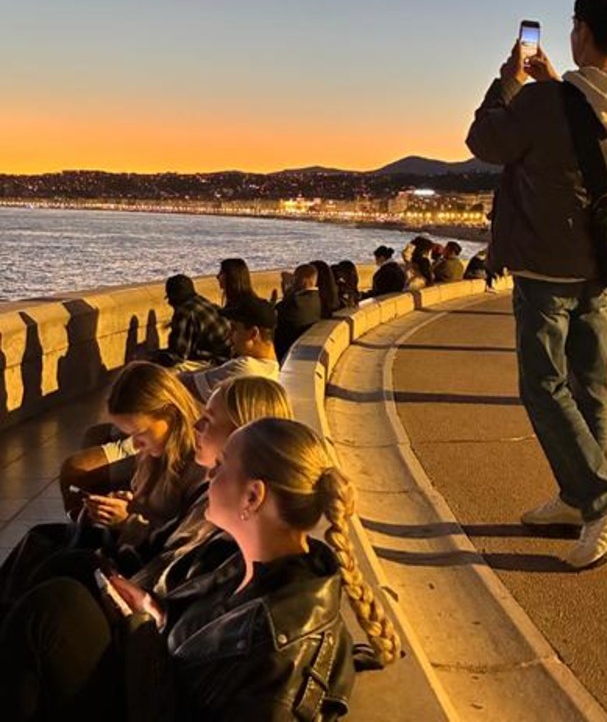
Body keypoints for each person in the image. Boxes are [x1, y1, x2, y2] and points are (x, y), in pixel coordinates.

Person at [0, 418, 401, 721]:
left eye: (223, 465)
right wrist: (153, 611)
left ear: (253, 495)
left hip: (155, 703)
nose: (209, 474)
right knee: (73, 573)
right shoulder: (252, 561)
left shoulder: (282, 648)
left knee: (53, 608)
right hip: (158, 682)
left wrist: (142, 629)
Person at [466, 0, 607, 570]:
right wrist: (551, 88)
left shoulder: (542, 102)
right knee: (590, 386)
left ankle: (602, 501)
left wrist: (509, 83)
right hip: (601, 264)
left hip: (547, 266)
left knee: (544, 386)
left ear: (582, 31)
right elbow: (581, 134)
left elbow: (484, 141)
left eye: (575, 23)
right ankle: (580, 499)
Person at [2, 362, 205, 609]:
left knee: (62, 564)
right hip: (129, 542)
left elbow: (181, 540)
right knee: (39, 538)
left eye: (140, 434)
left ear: (171, 415)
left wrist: (127, 521)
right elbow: (151, 507)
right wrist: (126, 503)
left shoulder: (199, 464)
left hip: (146, 562)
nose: (136, 445)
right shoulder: (154, 454)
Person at [182, 293, 281, 403]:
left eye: (234, 328)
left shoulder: (246, 368)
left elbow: (182, 385)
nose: (229, 334)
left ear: (253, 333)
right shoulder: (272, 368)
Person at [153, 274, 232, 369]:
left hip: (219, 362)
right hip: (229, 356)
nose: (170, 304)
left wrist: (153, 356)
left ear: (174, 298)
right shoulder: (202, 302)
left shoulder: (185, 311)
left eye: (170, 300)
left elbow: (178, 356)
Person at [274, 263, 323, 361]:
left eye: (295, 278)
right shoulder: (319, 298)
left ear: (303, 281)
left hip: (285, 353)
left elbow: (276, 313)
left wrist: (287, 293)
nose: (293, 281)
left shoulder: (295, 303)